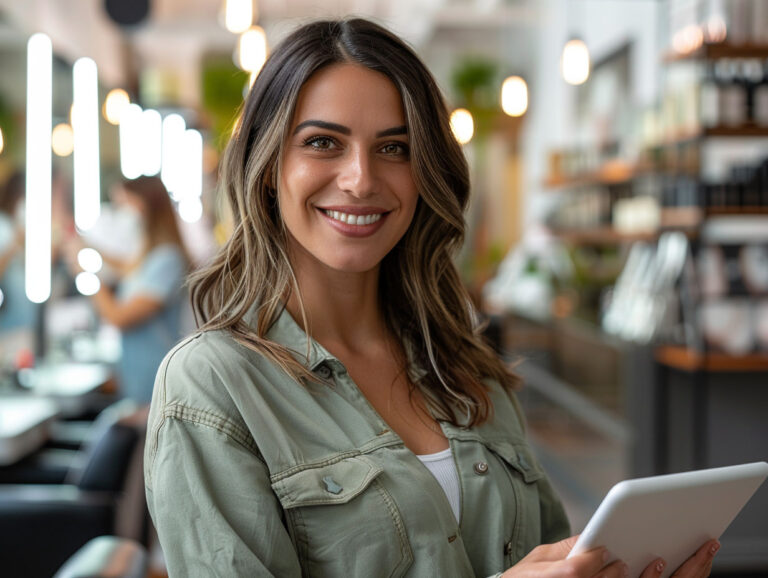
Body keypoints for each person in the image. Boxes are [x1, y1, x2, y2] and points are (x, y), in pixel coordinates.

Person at [144, 18, 720, 577]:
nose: (361, 179)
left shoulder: (462, 365)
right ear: (268, 166)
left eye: (394, 148)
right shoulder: (212, 387)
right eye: (323, 143)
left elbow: (548, 555)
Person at [73, 176, 189, 404]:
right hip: (137, 378)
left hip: (155, 382)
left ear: (143, 207)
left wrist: (85, 274)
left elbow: (119, 317)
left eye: (123, 204)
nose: (118, 213)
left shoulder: (167, 259)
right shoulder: (147, 257)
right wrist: (88, 247)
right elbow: (125, 267)